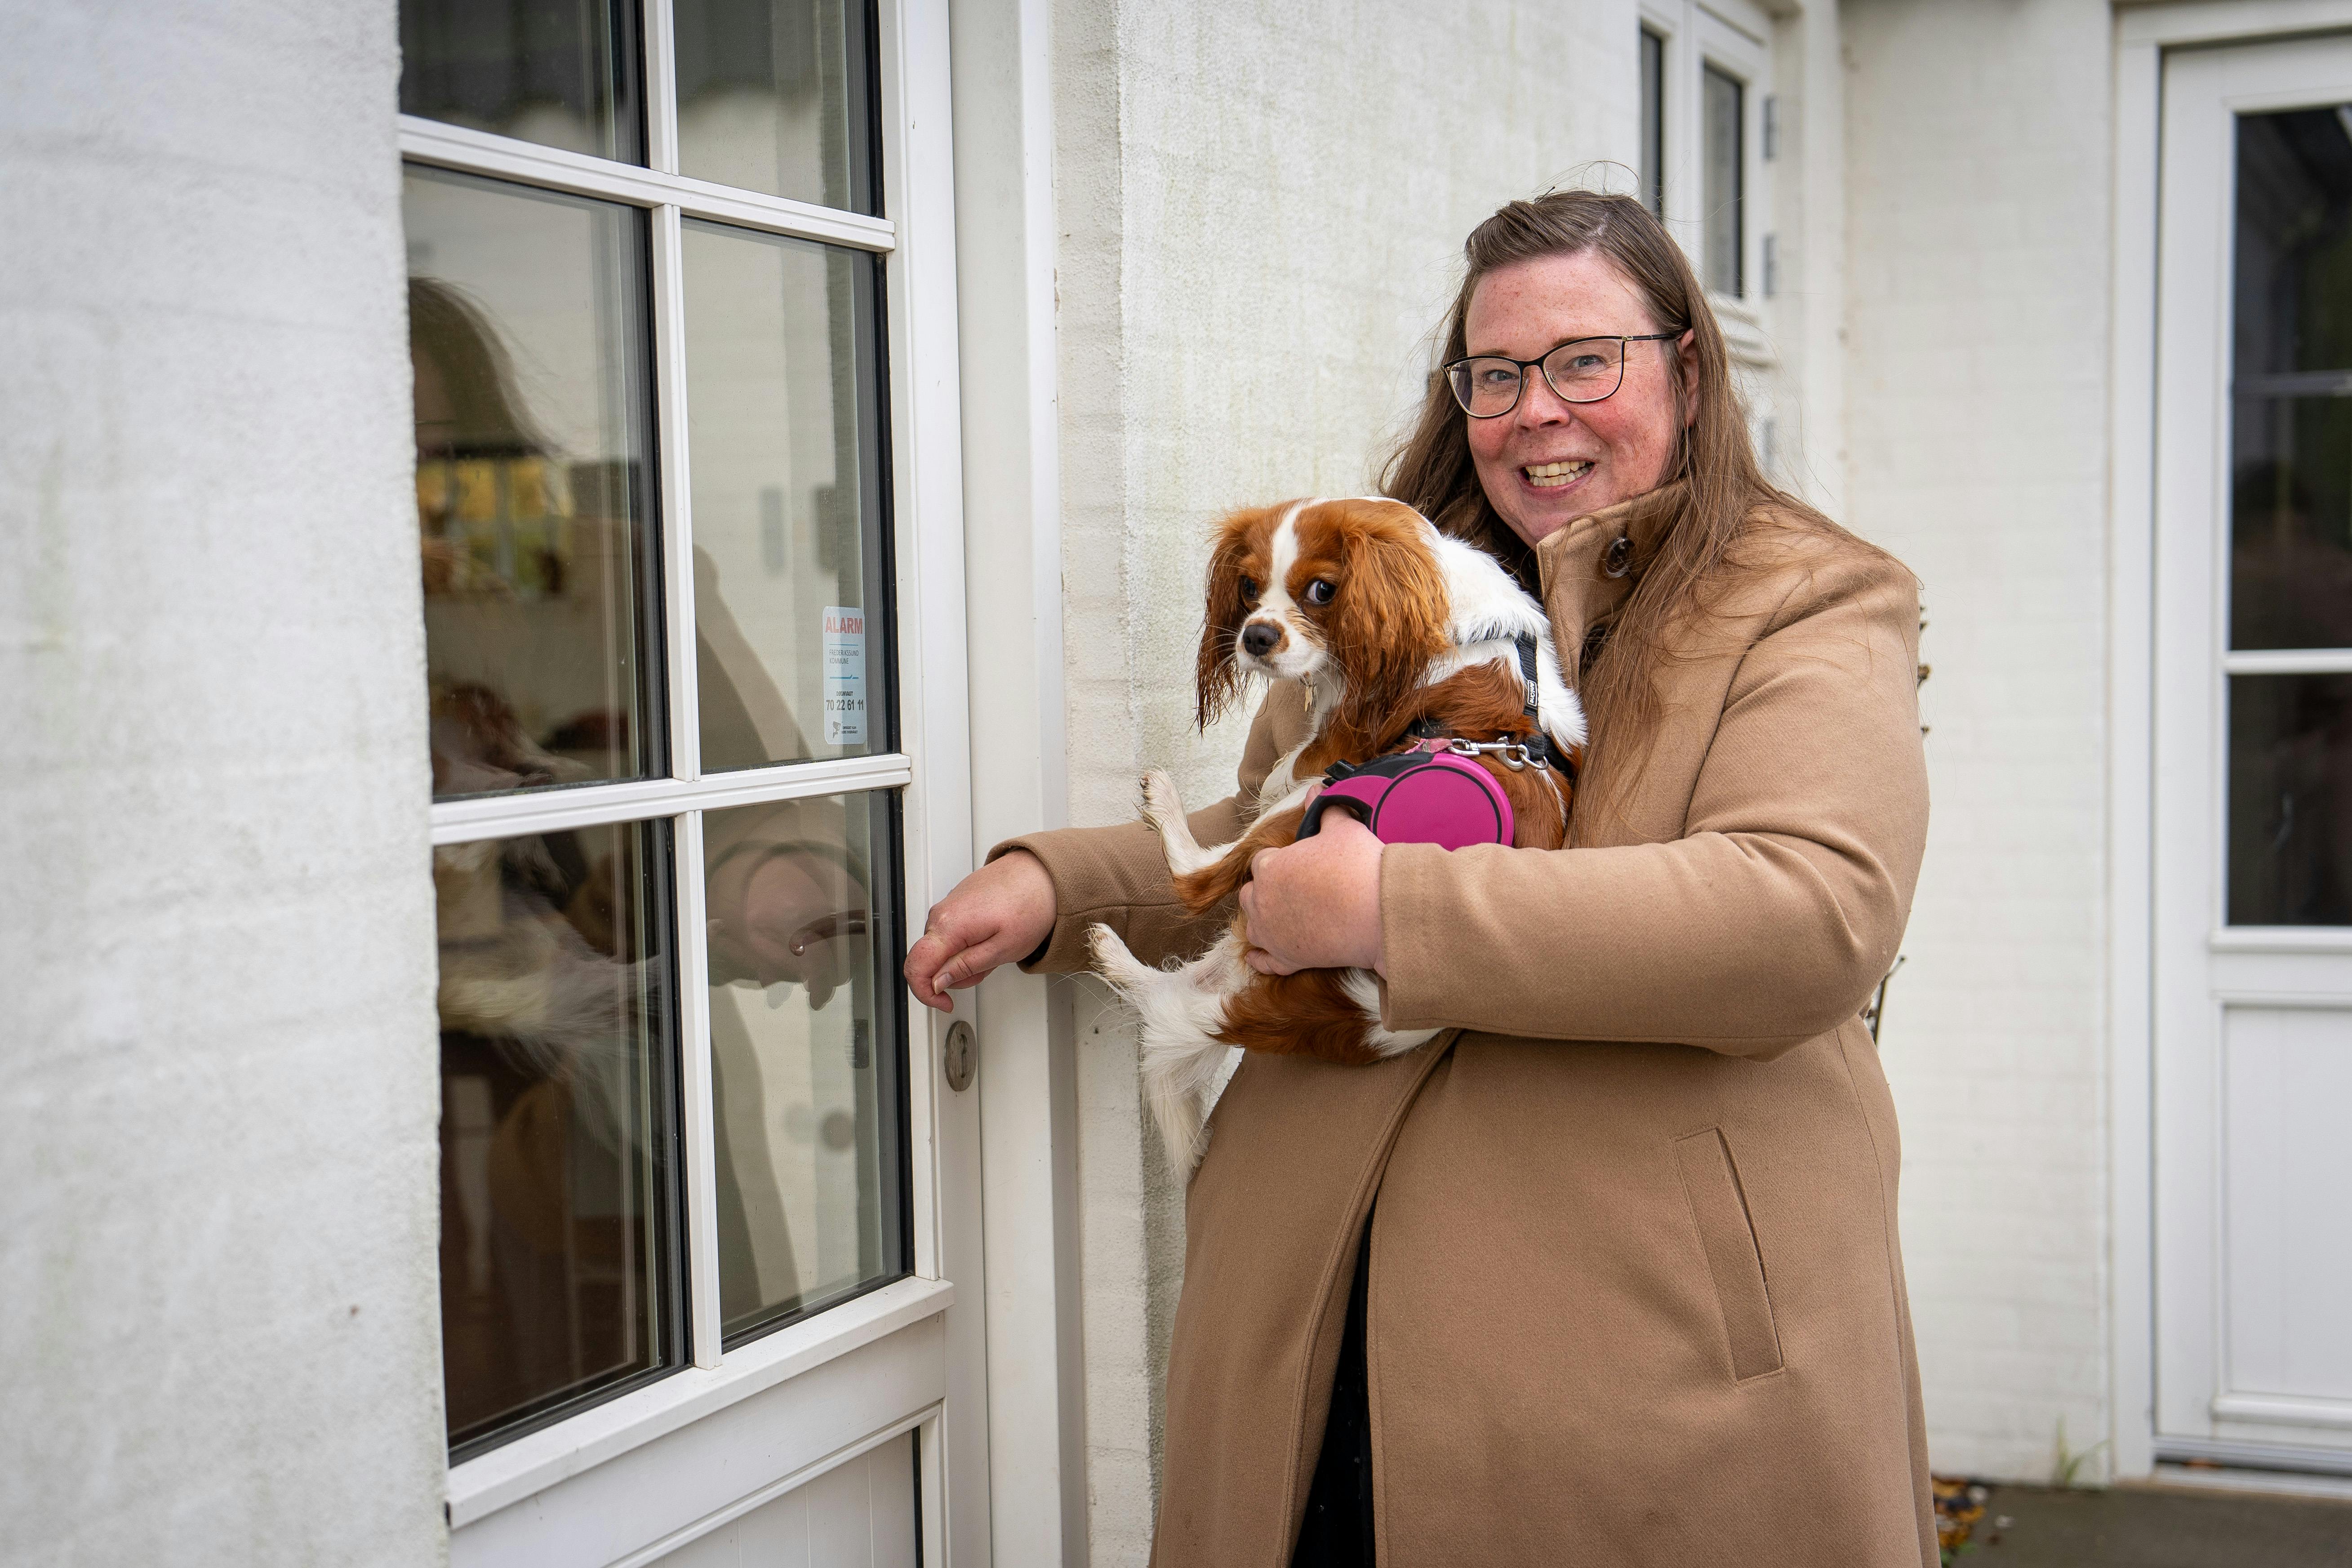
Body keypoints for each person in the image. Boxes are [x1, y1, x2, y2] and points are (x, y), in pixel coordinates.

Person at [905, 189, 1934, 1568]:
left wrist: (1397, 912)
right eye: (1494, 375)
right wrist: (1054, 890)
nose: (1535, 412)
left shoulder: (1806, 595)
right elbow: (1281, 820)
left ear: (1686, 370)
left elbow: (1805, 914)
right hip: (1325, 1300)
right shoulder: (1410, 581)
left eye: (1585, 360)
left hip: (1637, 1343)